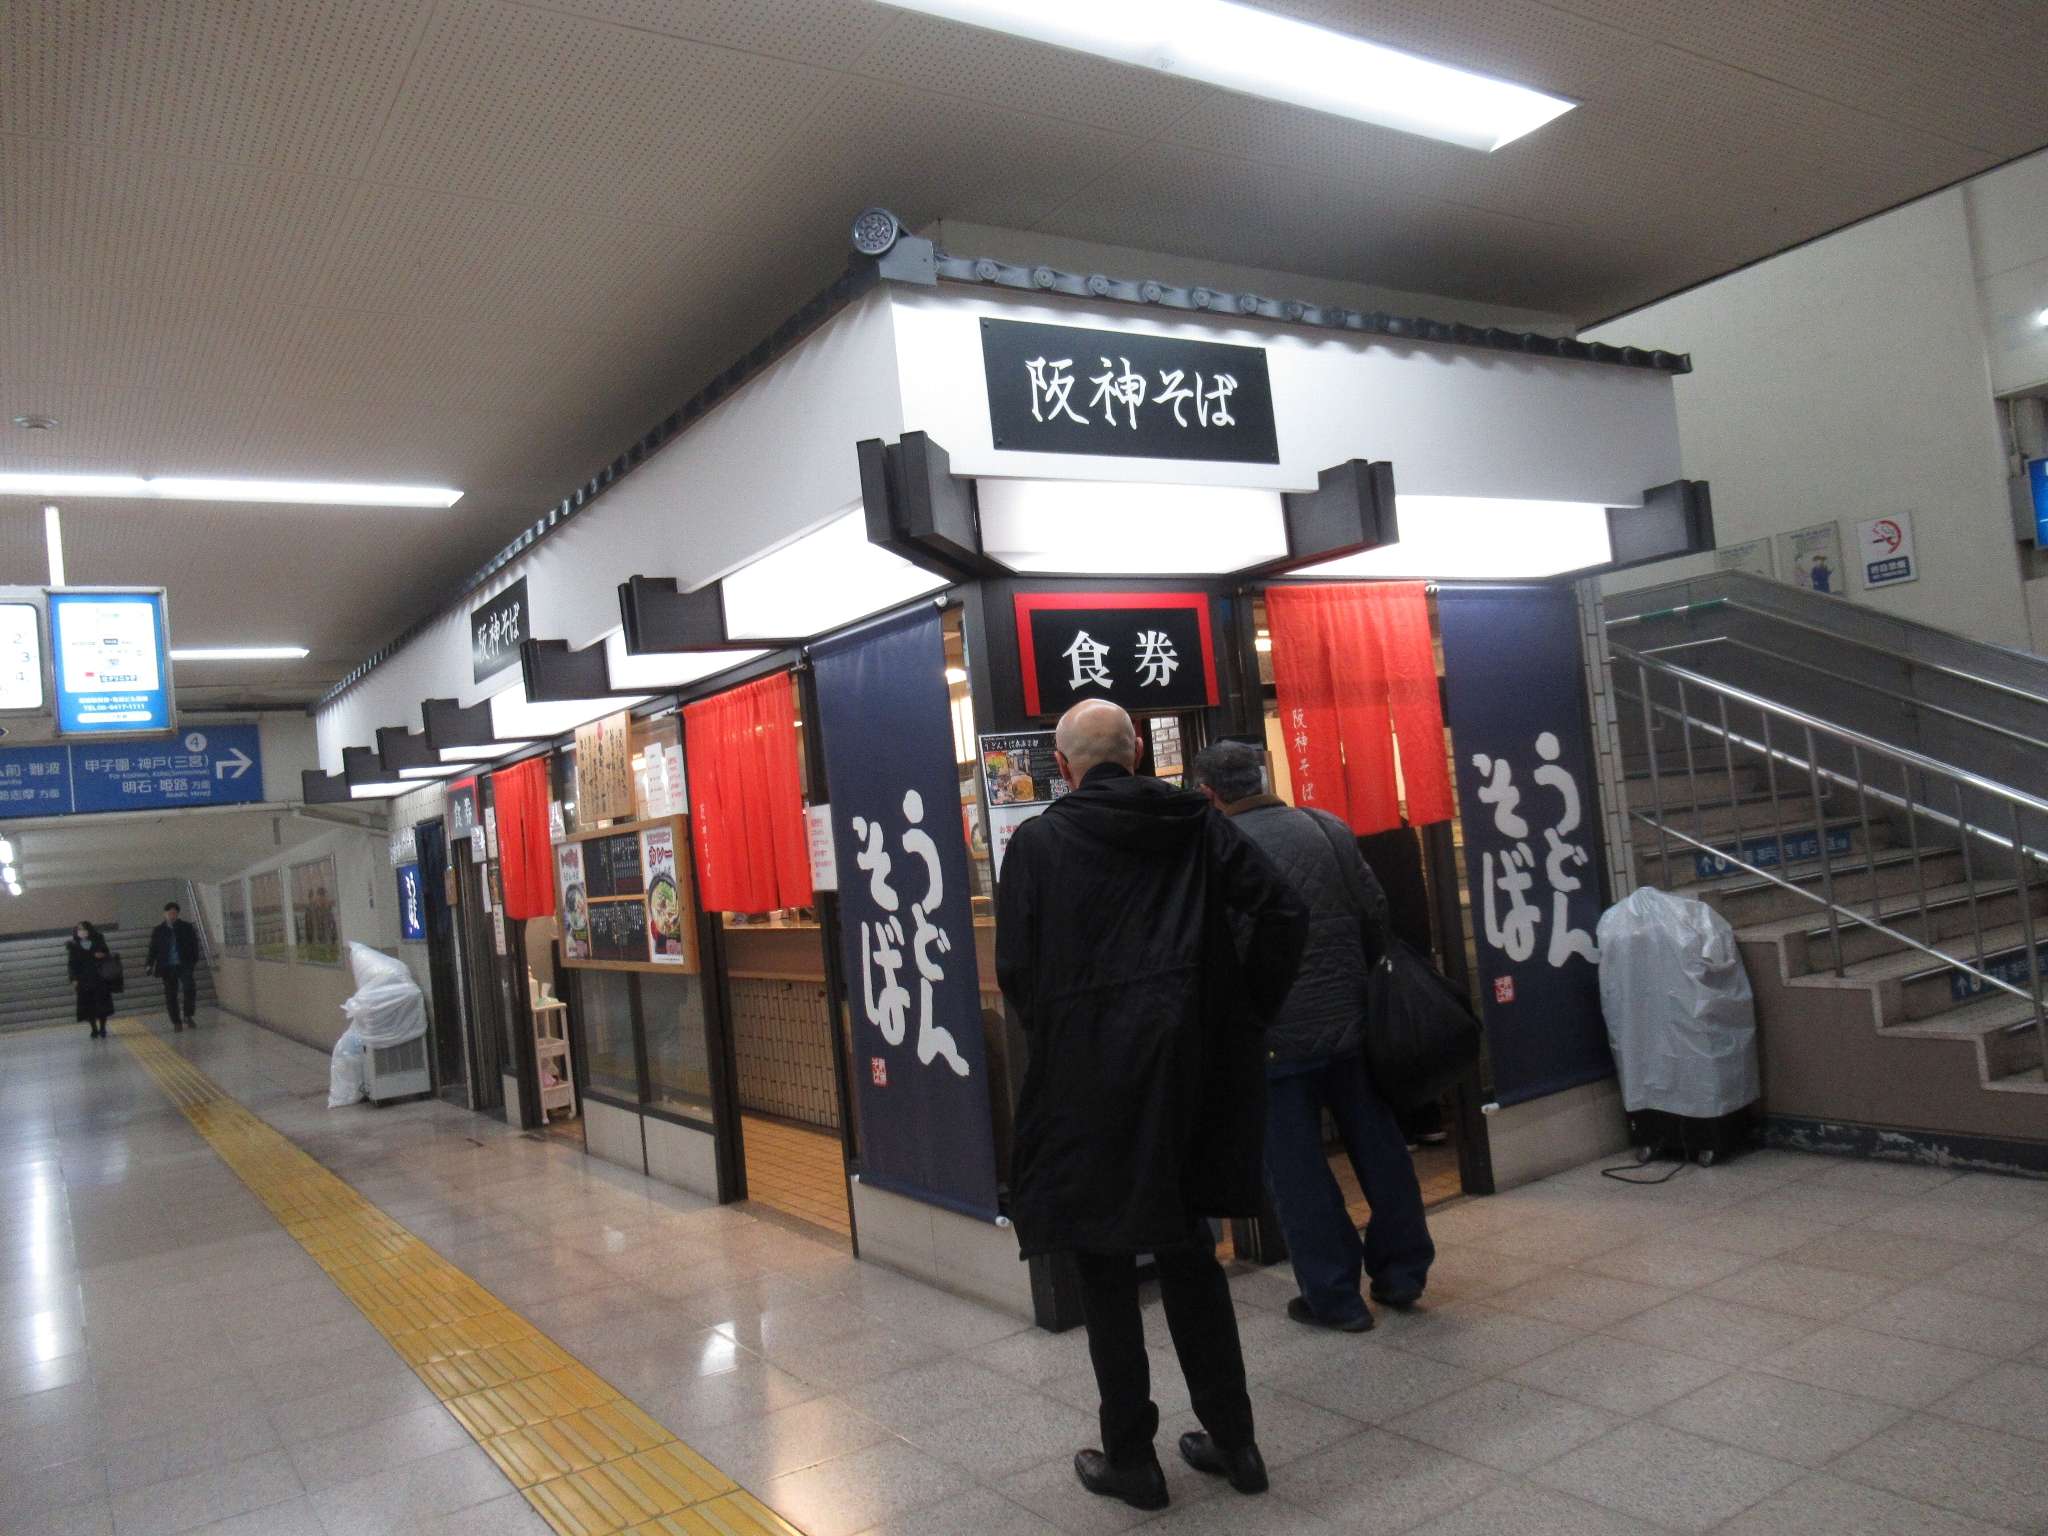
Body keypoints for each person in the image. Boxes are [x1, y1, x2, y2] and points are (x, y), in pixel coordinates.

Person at [997, 701, 1308, 1512]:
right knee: (1189, 1256)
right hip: (1188, 1073)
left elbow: (1017, 973)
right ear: (1136, 756)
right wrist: (1239, 1011)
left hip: (1089, 1086)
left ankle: (1132, 1459)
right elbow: (1283, 911)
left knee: (1104, 1269)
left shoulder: (1038, 843)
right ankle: (1235, 1443)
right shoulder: (1196, 825)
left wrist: (1070, 1032)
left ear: (1063, 767)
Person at [1192, 740, 1436, 1330]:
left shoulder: (1214, 848)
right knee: (1380, 1148)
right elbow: (1376, 912)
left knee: (1296, 1168)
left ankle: (1335, 1297)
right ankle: (1403, 1272)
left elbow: (1211, 948)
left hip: (1271, 1036)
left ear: (1208, 794)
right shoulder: (1326, 827)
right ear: (1262, 775)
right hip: (1352, 1024)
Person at [145, 901, 201, 1032]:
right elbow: (153, 948)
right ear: (164, 914)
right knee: (171, 995)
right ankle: (176, 1021)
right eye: (169, 913)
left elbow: (194, 945)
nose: (172, 915)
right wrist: (149, 964)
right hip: (167, 966)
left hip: (184, 964)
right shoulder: (159, 930)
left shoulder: (186, 927)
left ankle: (188, 1014)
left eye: (174, 913)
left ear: (178, 914)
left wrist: (193, 961)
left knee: (189, 988)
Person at [66, 921, 115, 1039]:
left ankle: (103, 1027)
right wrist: (73, 979)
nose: (81, 932)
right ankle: (94, 1028)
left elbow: (107, 953)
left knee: (102, 1004)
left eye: (84, 929)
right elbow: (71, 964)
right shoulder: (73, 945)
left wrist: (102, 955)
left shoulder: (98, 940)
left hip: (99, 978)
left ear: (89, 930)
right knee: (88, 1006)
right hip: (83, 980)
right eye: (79, 930)